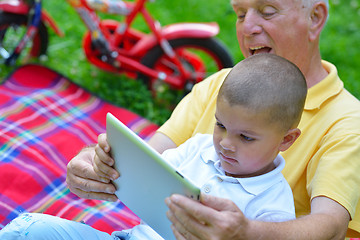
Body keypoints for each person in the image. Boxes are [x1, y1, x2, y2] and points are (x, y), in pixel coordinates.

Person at [67, 0, 360, 239]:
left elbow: (331, 227)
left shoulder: (347, 121)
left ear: (315, 17)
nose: (247, 27)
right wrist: (94, 161)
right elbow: (147, 159)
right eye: (240, 13)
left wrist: (247, 232)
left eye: (267, 12)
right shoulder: (220, 84)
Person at [0, 54, 306, 240]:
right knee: (26, 229)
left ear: (286, 140)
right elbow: (145, 173)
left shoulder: (274, 208)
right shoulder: (199, 147)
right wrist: (108, 162)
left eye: (246, 137)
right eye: (221, 126)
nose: (225, 144)